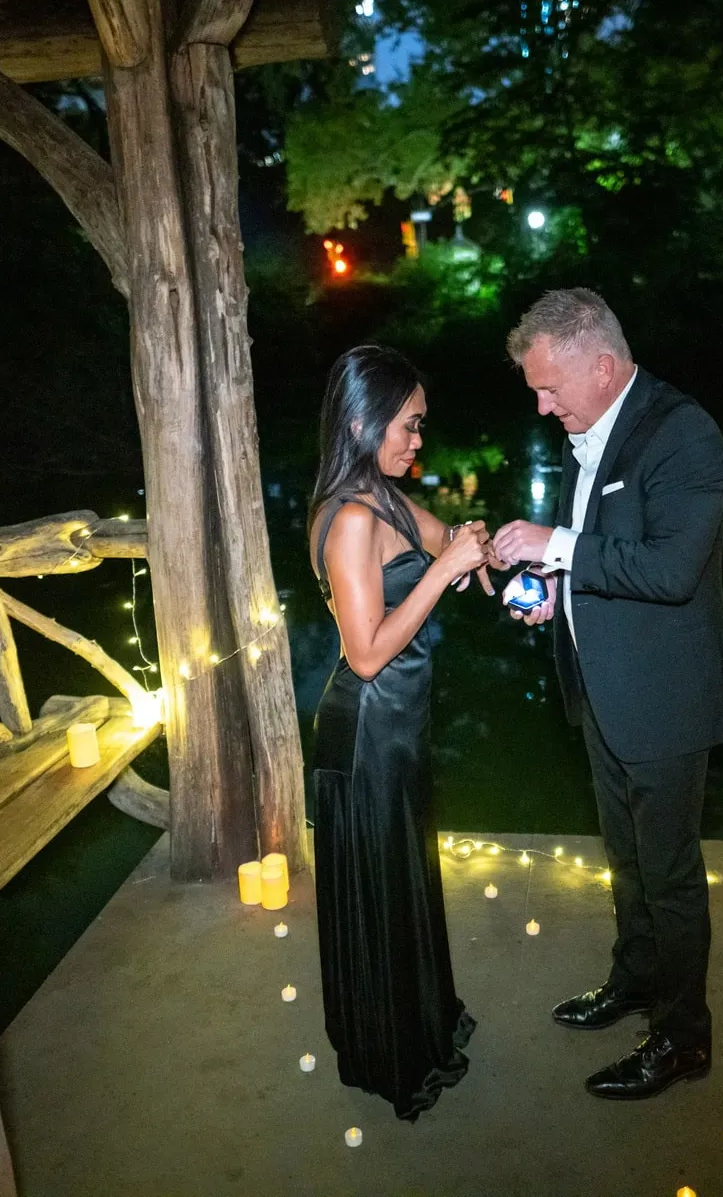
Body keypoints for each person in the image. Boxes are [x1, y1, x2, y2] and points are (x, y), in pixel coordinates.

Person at [492, 288, 723, 1100]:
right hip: (602, 692)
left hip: (664, 699)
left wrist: (555, 542)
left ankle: (682, 1038)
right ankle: (633, 981)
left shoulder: (684, 434)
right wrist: (552, 591)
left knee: (667, 872)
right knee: (627, 861)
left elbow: (672, 572)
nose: (541, 405)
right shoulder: (587, 430)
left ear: (602, 367)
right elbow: (607, 558)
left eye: (549, 387)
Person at [307, 344, 497, 1120]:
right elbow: (367, 649)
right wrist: (442, 568)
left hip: (401, 728)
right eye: (410, 426)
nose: (420, 440)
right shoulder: (351, 519)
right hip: (367, 734)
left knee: (403, 882)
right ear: (364, 420)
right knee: (381, 892)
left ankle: (415, 1019)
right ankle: (390, 1051)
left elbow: (445, 536)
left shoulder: (383, 496)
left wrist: (475, 550)